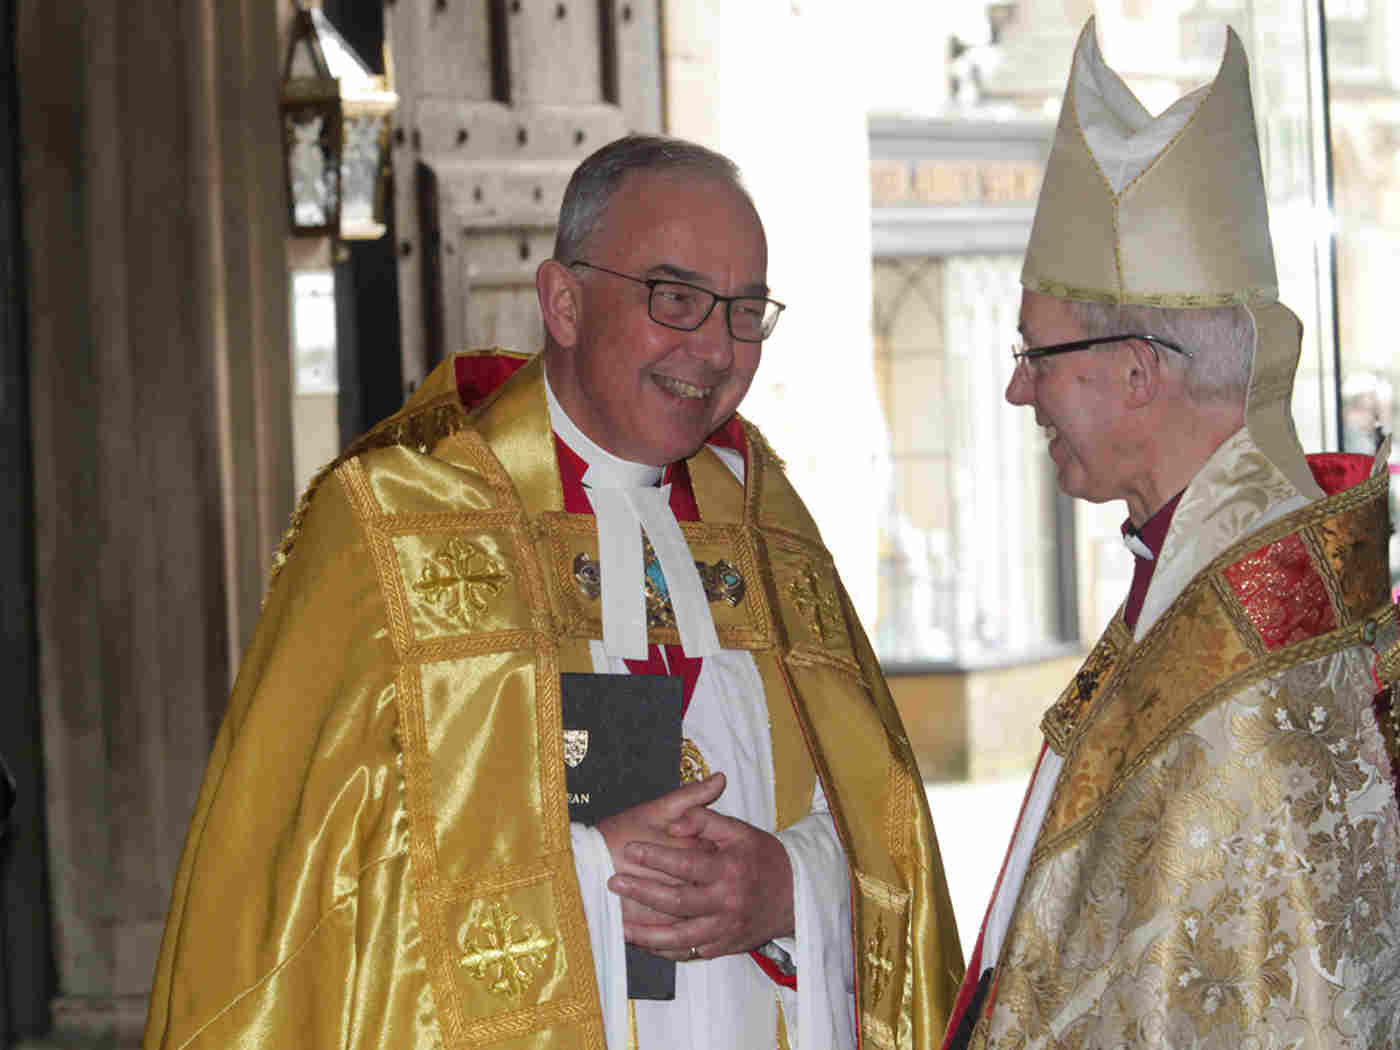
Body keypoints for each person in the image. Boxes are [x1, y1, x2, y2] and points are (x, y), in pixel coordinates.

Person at [142, 134, 963, 1050]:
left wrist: (787, 890)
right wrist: (592, 874)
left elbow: (885, 829)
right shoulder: (393, 523)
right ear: (564, 302)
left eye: (744, 311)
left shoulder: (767, 523)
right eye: (675, 297)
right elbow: (303, 899)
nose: (715, 348)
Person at [943, 21, 1400, 1050]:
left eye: (1035, 353)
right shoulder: (1211, 583)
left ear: (1137, 372)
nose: (1018, 389)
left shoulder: (1253, 684)